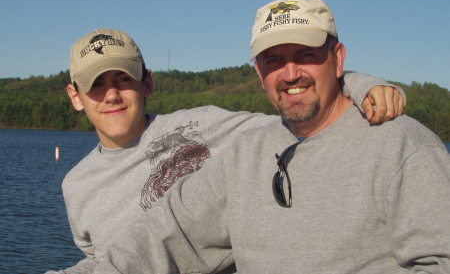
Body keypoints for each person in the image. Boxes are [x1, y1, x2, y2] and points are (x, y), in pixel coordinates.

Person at [92, 0, 450, 274]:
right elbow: (166, 235)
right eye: (273, 60)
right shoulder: (245, 153)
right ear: (259, 72)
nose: (290, 73)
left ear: (337, 59)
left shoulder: (404, 146)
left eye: (305, 55)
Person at [45, 27, 404, 274]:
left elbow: (305, 113)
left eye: (123, 78)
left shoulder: (206, 125)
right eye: (96, 84)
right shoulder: (77, 186)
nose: (111, 94)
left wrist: (359, 84)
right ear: (75, 97)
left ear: (147, 83)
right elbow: (100, 263)